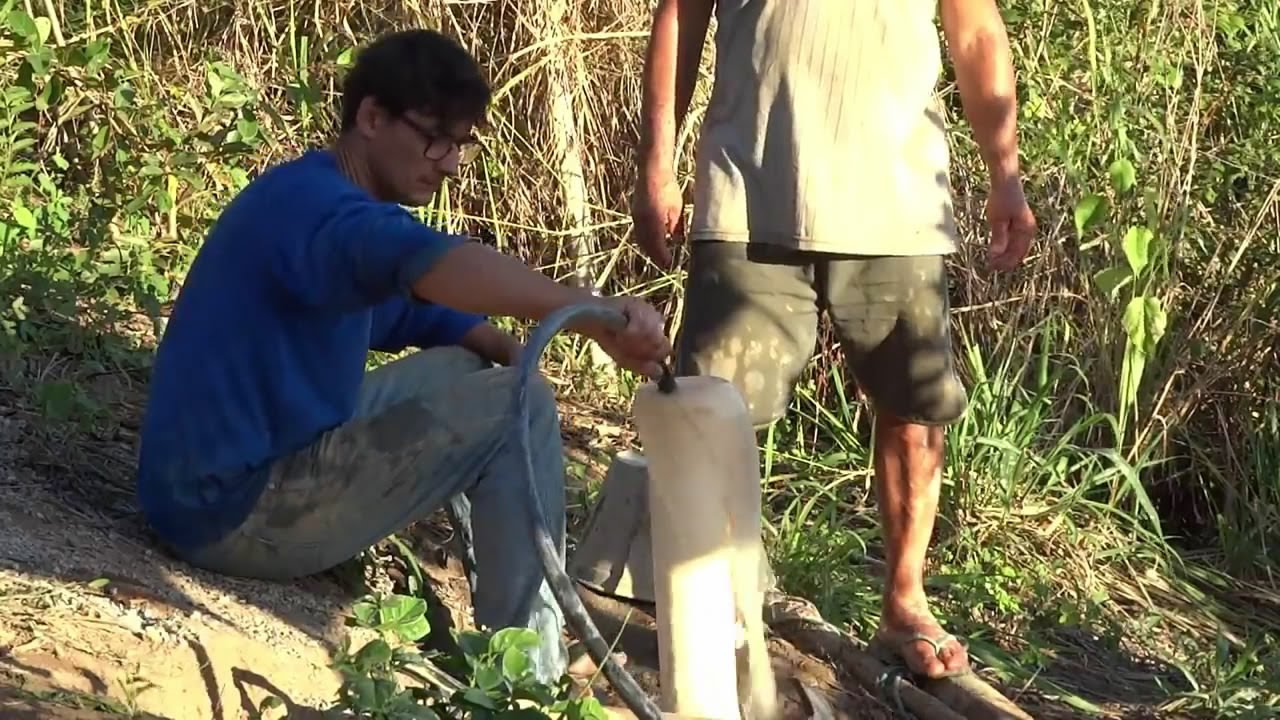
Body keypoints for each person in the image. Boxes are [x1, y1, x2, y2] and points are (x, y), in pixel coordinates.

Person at [136, 28, 670, 684]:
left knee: (488, 373)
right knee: (518, 402)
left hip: (225, 485)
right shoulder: (322, 212)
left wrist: (499, 342)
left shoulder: (314, 197)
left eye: (462, 143)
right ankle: (528, 681)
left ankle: (515, 639)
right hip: (231, 511)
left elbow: (404, 307)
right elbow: (430, 264)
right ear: (371, 117)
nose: (449, 161)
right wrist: (590, 315)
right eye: (435, 136)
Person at [632, 0, 1037, 679]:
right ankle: (713, 608)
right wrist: (656, 164)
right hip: (750, 190)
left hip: (897, 198)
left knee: (914, 407)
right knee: (710, 413)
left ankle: (906, 602)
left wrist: (1006, 174)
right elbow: (680, 16)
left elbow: (977, 33)